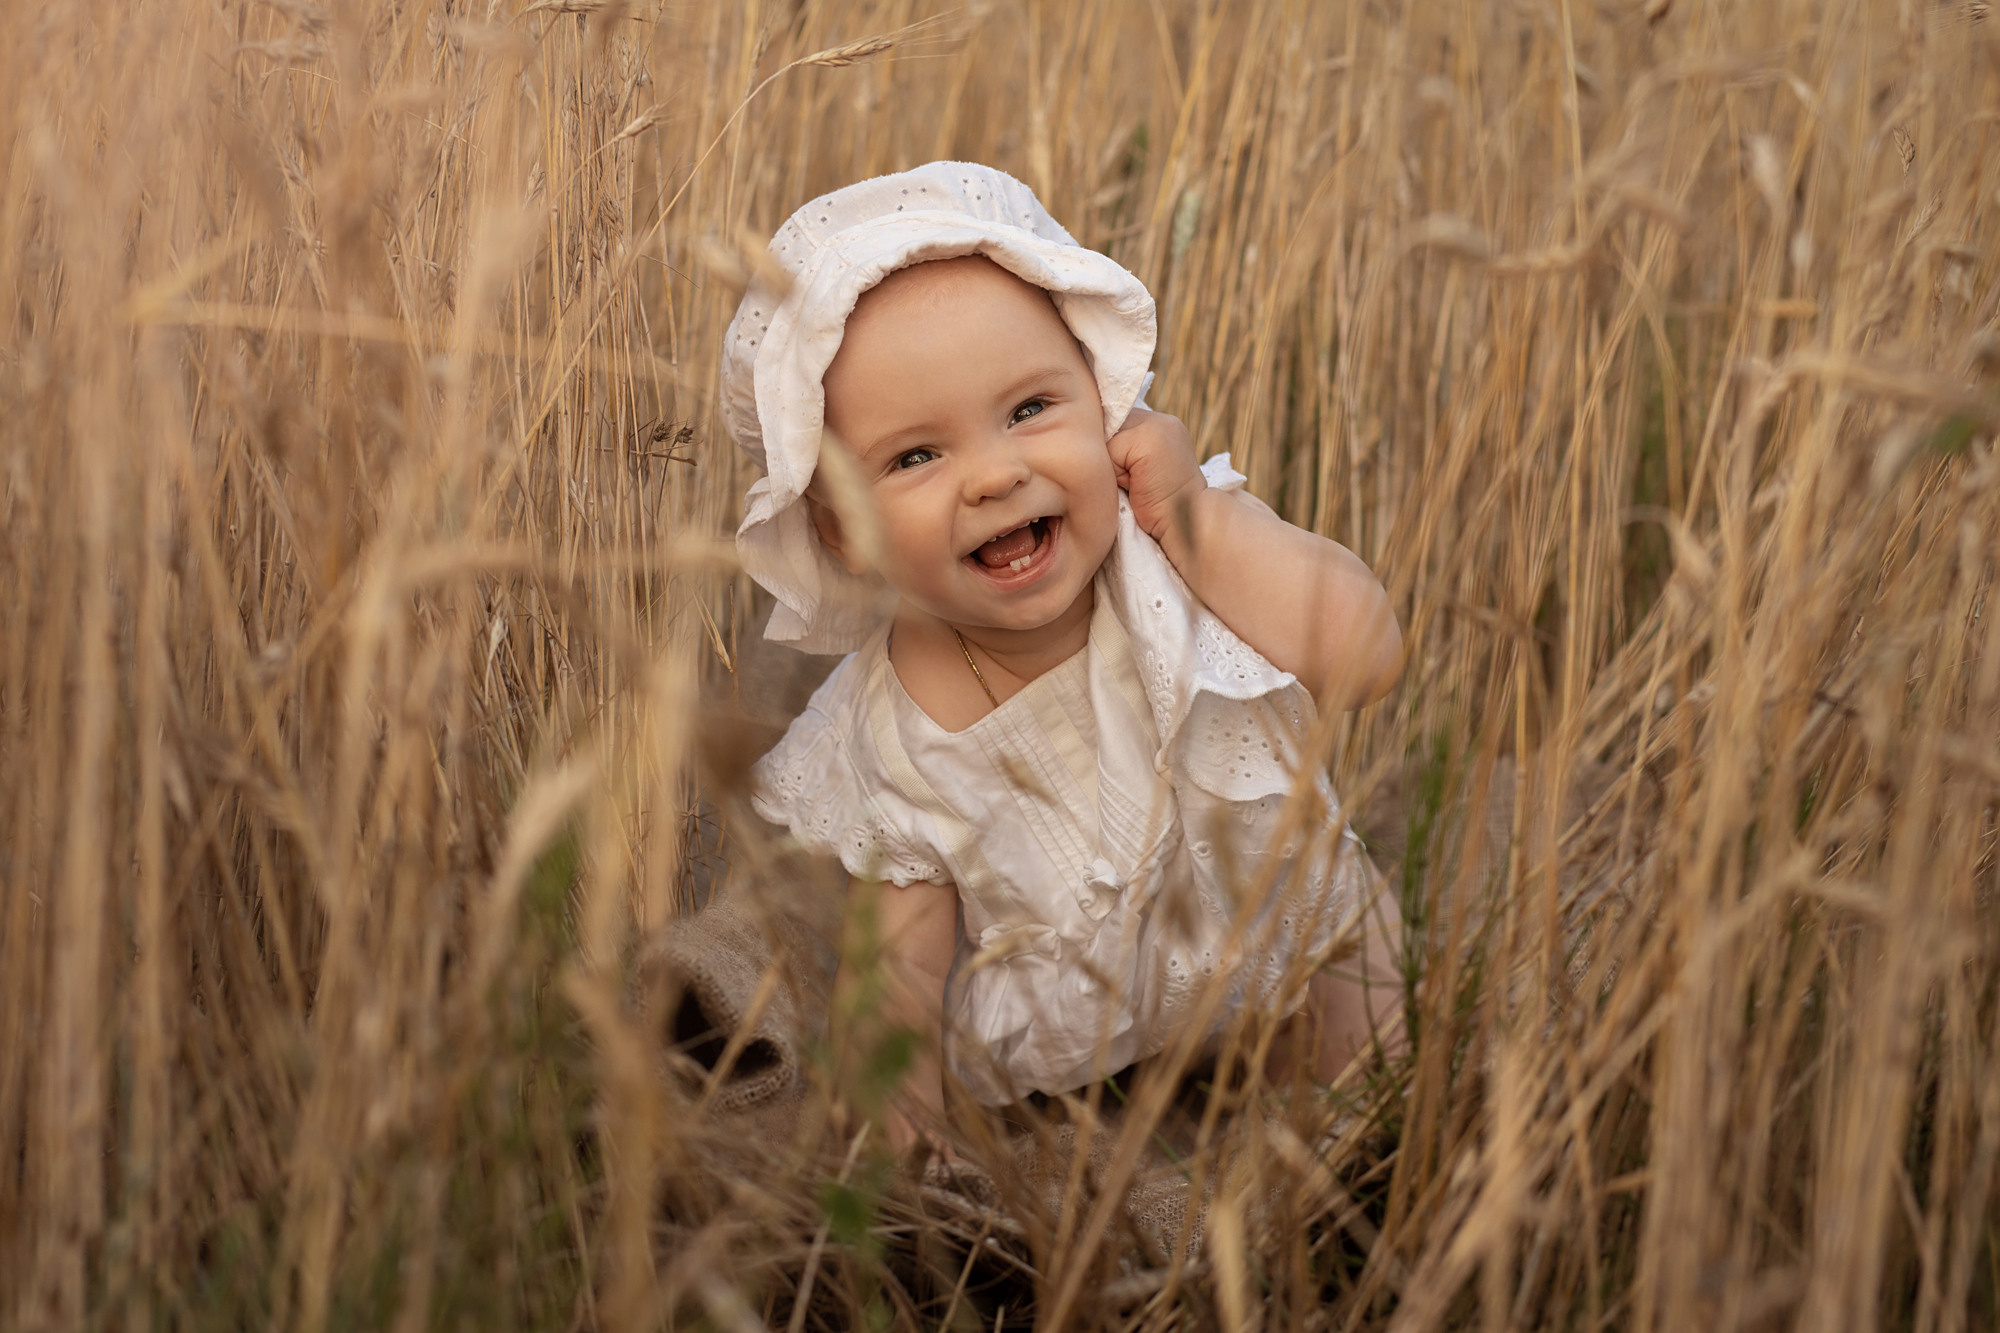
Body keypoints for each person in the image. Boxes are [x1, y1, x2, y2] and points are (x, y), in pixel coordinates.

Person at [724, 161, 1404, 1153]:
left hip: (1283, 945)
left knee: (1369, 1021)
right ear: (843, 533)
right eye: (915, 456)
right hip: (1078, 1036)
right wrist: (898, 1130)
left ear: (1104, 401)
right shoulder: (886, 734)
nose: (995, 474)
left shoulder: (1178, 545)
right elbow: (902, 976)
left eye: (1029, 409)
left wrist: (1198, 525)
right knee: (1041, 1147)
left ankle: (1341, 1149)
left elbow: (1367, 656)